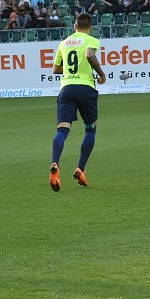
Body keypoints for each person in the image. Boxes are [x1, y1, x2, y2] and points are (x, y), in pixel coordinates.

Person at [49, 13, 107, 192]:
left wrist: (69, 70)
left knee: (62, 129)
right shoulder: (91, 40)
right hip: (85, 88)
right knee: (90, 129)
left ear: (74, 26)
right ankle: (80, 169)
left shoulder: (64, 43)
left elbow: (55, 69)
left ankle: (55, 163)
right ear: (89, 27)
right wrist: (101, 74)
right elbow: (90, 55)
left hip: (66, 88)